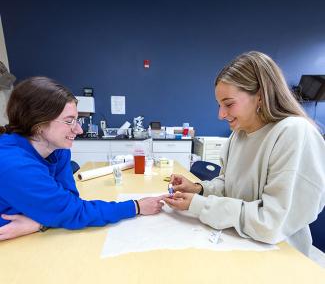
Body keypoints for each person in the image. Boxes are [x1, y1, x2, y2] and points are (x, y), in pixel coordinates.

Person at [164, 51, 325, 257]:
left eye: (229, 104)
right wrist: (199, 189)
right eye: (219, 105)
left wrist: (200, 206)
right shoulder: (238, 135)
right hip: (239, 244)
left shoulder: (293, 133)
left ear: (260, 95)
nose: (221, 114)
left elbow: (271, 222)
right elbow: (228, 185)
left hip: (280, 256)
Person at [0, 76, 164, 241]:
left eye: (77, 120)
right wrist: (136, 206)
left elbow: (69, 202)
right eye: (69, 121)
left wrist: (39, 222)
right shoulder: (14, 164)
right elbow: (73, 211)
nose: (78, 130)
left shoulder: (58, 149)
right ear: (38, 124)